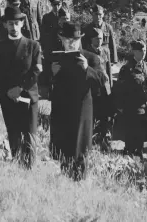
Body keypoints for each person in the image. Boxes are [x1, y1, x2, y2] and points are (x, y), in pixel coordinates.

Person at [49, 22, 105, 180]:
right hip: (62, 106)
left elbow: (101, 81)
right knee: (63, 143)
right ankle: (65, 175)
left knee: (80, 145)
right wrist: (53, 73)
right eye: (67, 40)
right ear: (62, 39)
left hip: (81, 108)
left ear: (80, 39)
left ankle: (79, 179)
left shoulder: (90, 57)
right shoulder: (57, 56)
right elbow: (45, 81)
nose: (71, 43)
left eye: (74, 40)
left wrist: (88, 70)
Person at [0, 6, 42, 169]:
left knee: (29, 133)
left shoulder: (33, 46)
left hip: (28, 96)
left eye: (16, 23)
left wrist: (20, 88)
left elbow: (37, 70)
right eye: (10, 23)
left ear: (22, 24)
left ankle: (29, 167)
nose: (13, 27)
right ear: (5, 25)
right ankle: (16, 163)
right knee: (13, 131)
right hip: (8, 96)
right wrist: (9, 90)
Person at [114, 40, 147, 158]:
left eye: (144, 50)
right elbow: (120, 88)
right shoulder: (127, 68)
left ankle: (139, 152)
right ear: (134, 52)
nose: (143, 53)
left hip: (143, 104)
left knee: (141, 130)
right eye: (140, 51)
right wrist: (120, 105)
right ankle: (128, 152)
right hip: (131, 104)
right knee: (131, 130)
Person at [85, 27, 113, 150]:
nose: (99, 41)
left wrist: (111, 86)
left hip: (105, 88)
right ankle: (91, 139)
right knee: (94, 113)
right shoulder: (86, 52)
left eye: (101, 38)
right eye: (97, 38)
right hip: (93, 88)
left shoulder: (106, 51)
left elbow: (109, 70)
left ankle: (104, 139)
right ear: (91, 39)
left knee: (106, 114)